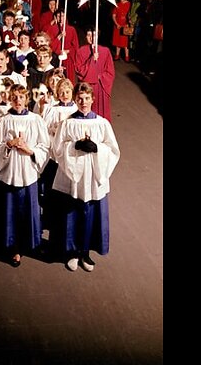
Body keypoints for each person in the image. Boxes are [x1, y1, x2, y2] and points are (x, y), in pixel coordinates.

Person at [51, 83, 120, 273]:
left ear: (92, 99)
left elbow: (113, 150)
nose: (83, 102)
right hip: (74, 177)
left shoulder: (102, 123)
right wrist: (74, 147)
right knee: (72, 213)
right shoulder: (68, 123)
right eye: (79, 98)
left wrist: (97, 147)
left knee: (91, 215)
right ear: (75, 99)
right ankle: (72, 252)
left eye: (86, 98)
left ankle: (85, 252)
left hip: (93, 176)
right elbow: (57, 150)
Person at [0, 85, 48, 267]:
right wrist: (8, 144)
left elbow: (45, 146)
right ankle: (12, 246)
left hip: (28, 173)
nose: (18, 100)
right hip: (9, 173)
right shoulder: (3, 120)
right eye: (14, 97)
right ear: (9, 98)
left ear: (27, 98)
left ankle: (27, 244)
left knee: (27, 211)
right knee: (9, 212)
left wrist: (29, 151)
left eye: (21, 97)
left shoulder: (36, 120)